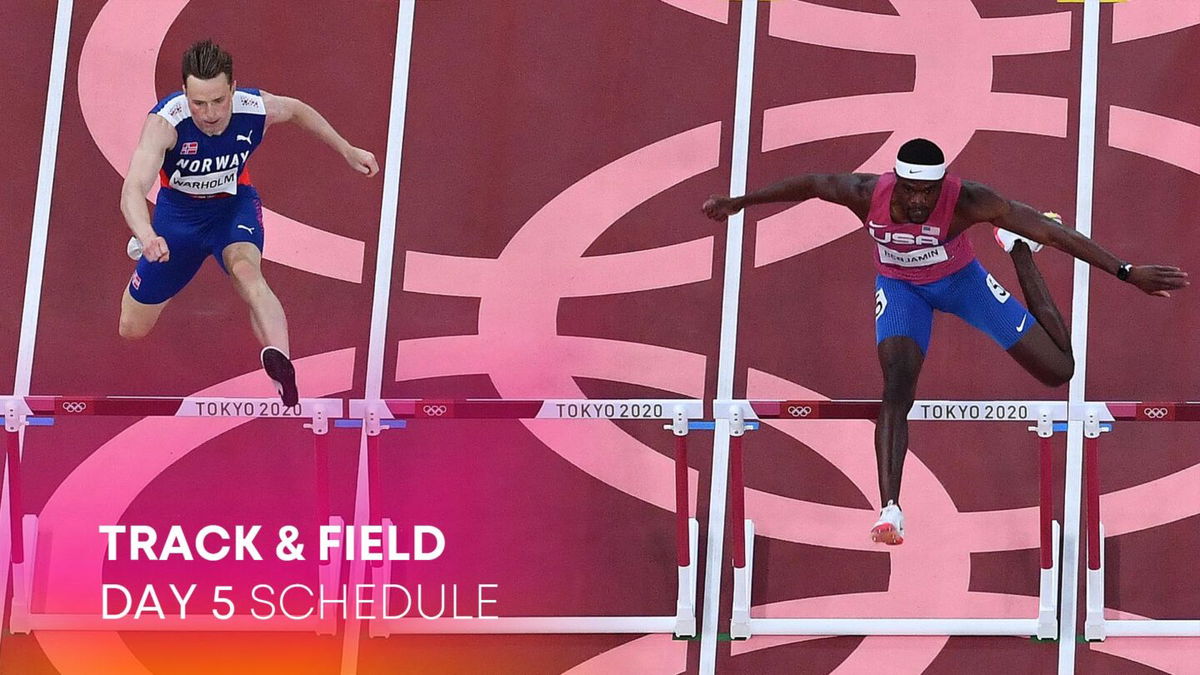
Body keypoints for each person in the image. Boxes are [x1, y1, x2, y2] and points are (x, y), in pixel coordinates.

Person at [702, 138, 1188, 545]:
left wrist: (1126, 272)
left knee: (1059, 370)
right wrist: (739, 203)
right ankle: (890, 506)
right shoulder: (863, 192)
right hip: (900, 291)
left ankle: (1016, 251)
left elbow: (1056, 234)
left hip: (963, 284)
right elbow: (808, 183)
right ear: (895, 181)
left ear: (942, 186)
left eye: (928, 193)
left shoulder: (971, 200)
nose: (918, 202)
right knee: (895, 386)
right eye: (910, 191)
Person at [119, 39, 378, 406]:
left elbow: (299, 110)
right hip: (177, 223)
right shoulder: (165, 124)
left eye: (218, 101)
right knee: (131, 328)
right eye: (199, 103)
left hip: (232, 208)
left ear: (233, 90)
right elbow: (132, 190)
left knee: (247, 271)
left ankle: (281, 363)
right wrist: (146, 235)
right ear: (184, 94)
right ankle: (144, 254)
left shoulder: (255, 108)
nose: (209, 113)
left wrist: (347, 149)